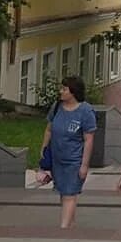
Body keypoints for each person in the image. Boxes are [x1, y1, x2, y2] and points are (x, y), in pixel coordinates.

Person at [39, 76, 97, 229]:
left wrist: (84, 165)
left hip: (74, 160)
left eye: (64, 89)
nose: (61, 91)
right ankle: (70, 225)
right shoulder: (57, 107)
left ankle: (63, 229)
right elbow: (49, 130)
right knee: (63, 192)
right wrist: (44, 150)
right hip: (57, 159)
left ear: (73, 92)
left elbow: (89, 139)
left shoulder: (85, 111)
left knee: (69, 194)